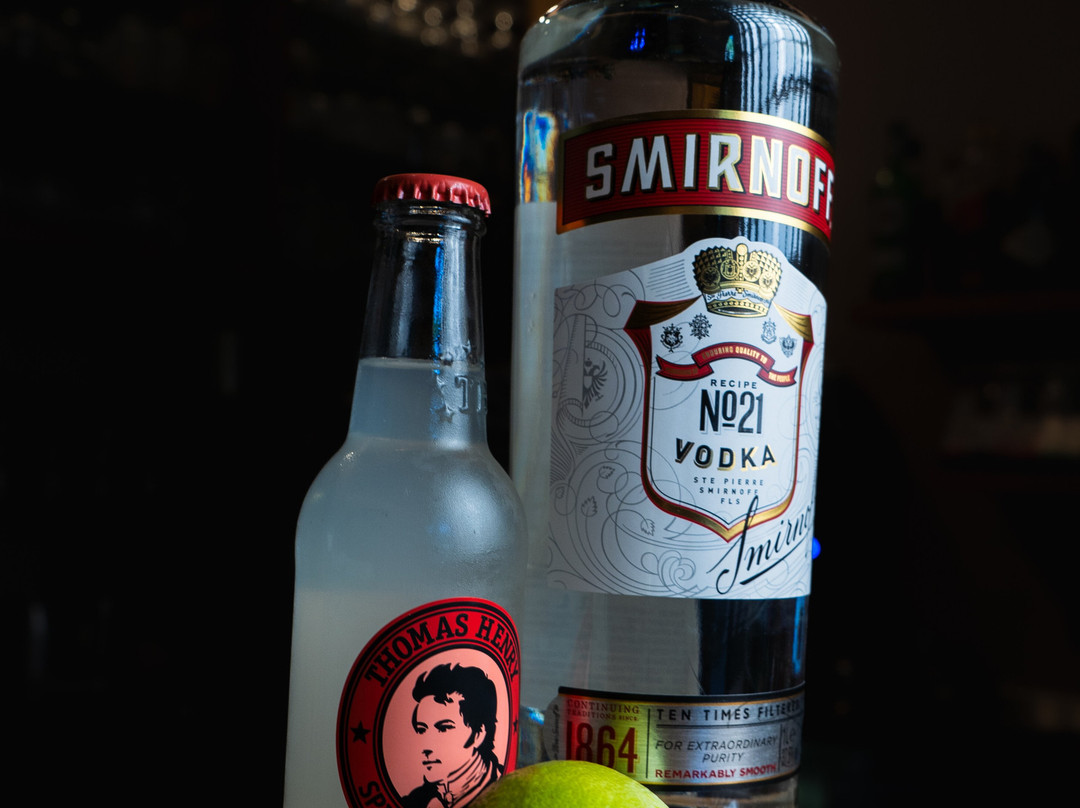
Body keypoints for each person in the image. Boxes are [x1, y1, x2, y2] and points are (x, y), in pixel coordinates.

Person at [401, 663, 503, 808]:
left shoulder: (507, 785)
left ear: (478, 734)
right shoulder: (413, 800)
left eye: (443, 728)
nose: (426, 748)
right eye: (422, 730)